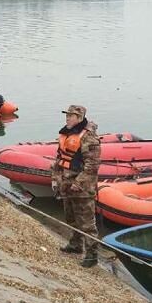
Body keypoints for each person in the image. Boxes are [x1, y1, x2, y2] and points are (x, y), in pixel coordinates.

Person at [51, 105, 102, 268]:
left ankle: (92, 254)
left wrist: (78, 183)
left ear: (79, 118)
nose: (67, 118)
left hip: (82, 188)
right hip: (65, 183)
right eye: (67, 115)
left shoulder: (89, 138)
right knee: (70, 217)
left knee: (86, 222)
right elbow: (59, 159)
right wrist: (55, 179)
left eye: (71, 116)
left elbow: (92, 166)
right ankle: (75, 245)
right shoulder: (66, 134)